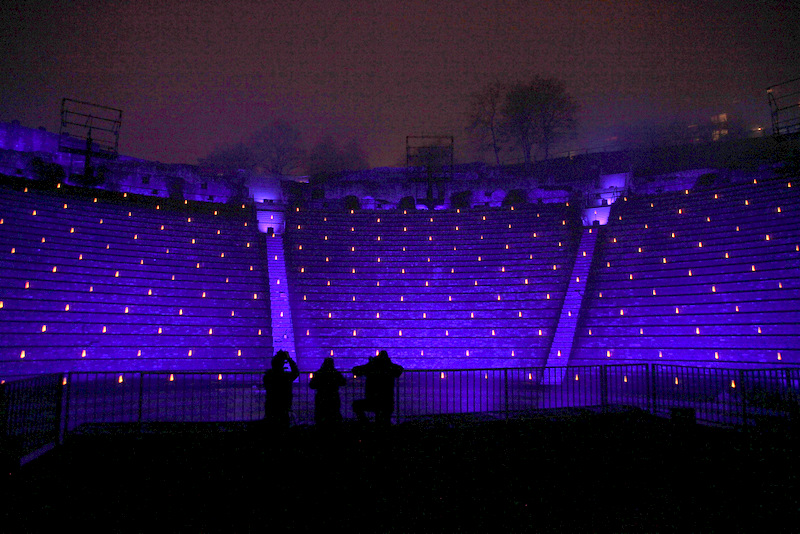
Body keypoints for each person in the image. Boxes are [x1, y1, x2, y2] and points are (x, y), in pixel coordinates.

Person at [352, 350, 404, 426]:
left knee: (357, 405)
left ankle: (366, 424)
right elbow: (399, 370)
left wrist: (371, 363)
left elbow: (355, 370)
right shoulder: (390, 368)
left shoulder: (372, 367)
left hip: (373, 399)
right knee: (384, 422)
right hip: (387, 401)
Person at [263, 350, 299, 430]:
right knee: (283, 426)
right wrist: (289, 359)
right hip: (283, 405)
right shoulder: (285, 377)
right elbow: (296, 372)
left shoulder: (268, 376)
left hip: (271, 404)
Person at [309, 357, 347, 427]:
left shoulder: (318, 373)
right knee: (334, 413)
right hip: (333, 396)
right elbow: (343, 382)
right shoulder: (335, 373)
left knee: (321, 414)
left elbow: (312, 385)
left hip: (321, 396)